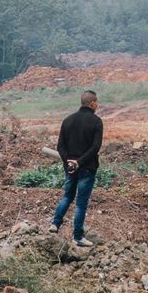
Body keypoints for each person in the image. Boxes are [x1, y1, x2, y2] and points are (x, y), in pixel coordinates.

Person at [48, 89, 103, 248]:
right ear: (92, 103)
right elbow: (95, 147)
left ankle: (55, 224)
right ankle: (78, 237)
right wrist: (80, 162)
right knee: (81, 204)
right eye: (96, 102)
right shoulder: (96, 122)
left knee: (67, 196)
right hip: (87, 168)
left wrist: (69, 161)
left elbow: (60, 146)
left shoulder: (67, 120)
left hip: (70, 168)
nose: (97, 105)